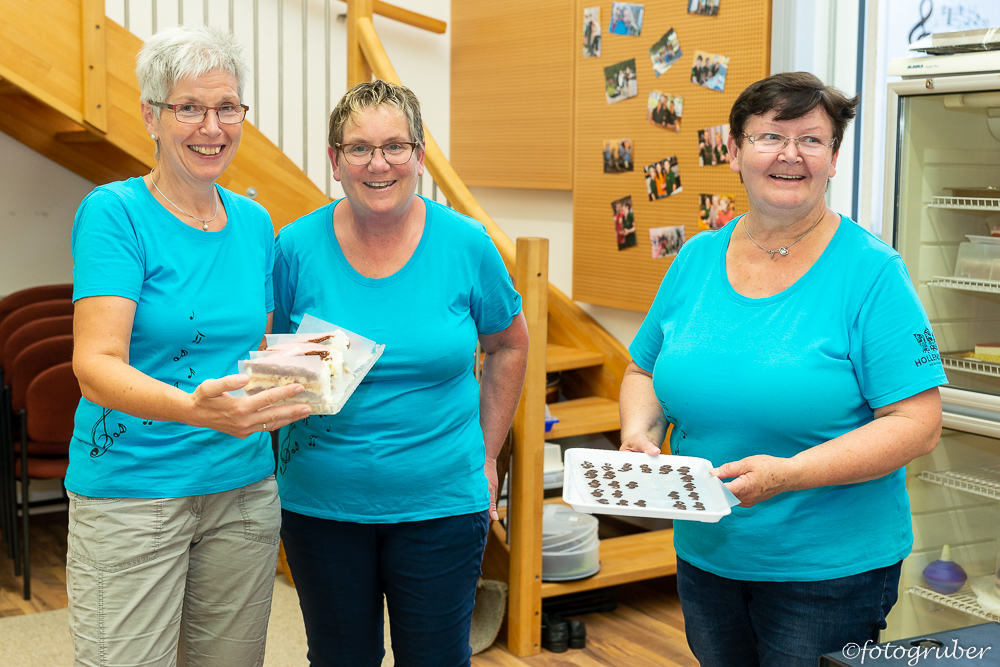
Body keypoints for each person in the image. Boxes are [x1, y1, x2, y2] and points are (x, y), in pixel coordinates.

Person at [619, 72, 946, 667]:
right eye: (770, 136)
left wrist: (789, 475)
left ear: (833, 159)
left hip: (829, 572)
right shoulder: (695, 258)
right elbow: (643, 371)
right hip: (707, 553)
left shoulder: (873, 273)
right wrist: (639, 434)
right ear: (735, 151)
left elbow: (916, 425)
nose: (790, 154)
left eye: (812, 140)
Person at [68, 24, 311, 667]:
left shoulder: (255, 221)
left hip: (243, 488)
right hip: (133, 490)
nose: (213, 127)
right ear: (152, 116)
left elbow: (252, 349)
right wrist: (194, 410)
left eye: (227, 107)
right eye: (190, 108)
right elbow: (94, 366)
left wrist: (312, 372)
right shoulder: (115, 213)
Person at [272, 79, 528, 667]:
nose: (378, 163)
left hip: (441, 501)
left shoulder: (466, 243)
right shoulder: (295, 246)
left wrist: (488, 454)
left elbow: (508, 346)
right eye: (359, 148)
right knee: (339, 658)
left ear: (419, 155)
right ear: (335, 160)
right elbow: (278, 358)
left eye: (394, 146)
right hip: (321, 504)